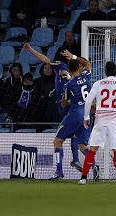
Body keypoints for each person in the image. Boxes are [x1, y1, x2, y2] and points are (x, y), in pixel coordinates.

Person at [23, 43, 87, 173]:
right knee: (76, 138)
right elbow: (45, 60)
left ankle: (62, 170)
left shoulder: (78, 73)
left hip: (71, 107)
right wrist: (31, 50)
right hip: (69, 107)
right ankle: (79, 161)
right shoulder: (62, 66)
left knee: (59, 140)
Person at [78, 61, 116, 186]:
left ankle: (83, 178)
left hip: (100, 121)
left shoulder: (98, 84)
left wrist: (86, 117)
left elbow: (88, 102)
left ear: (105, 71)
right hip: (115, 122)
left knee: (92, 149)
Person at [50, 50, 97, 180]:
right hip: (87, 115)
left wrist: (64, 101)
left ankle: (59, 172)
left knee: (58, 141)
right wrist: (74, 56)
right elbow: (88, 64)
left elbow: (64, 104)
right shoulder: (87, 76)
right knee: (82, 146)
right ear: (79, 67)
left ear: (70, 70)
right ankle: (94, 167)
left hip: (76, 113)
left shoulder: (69, 84)